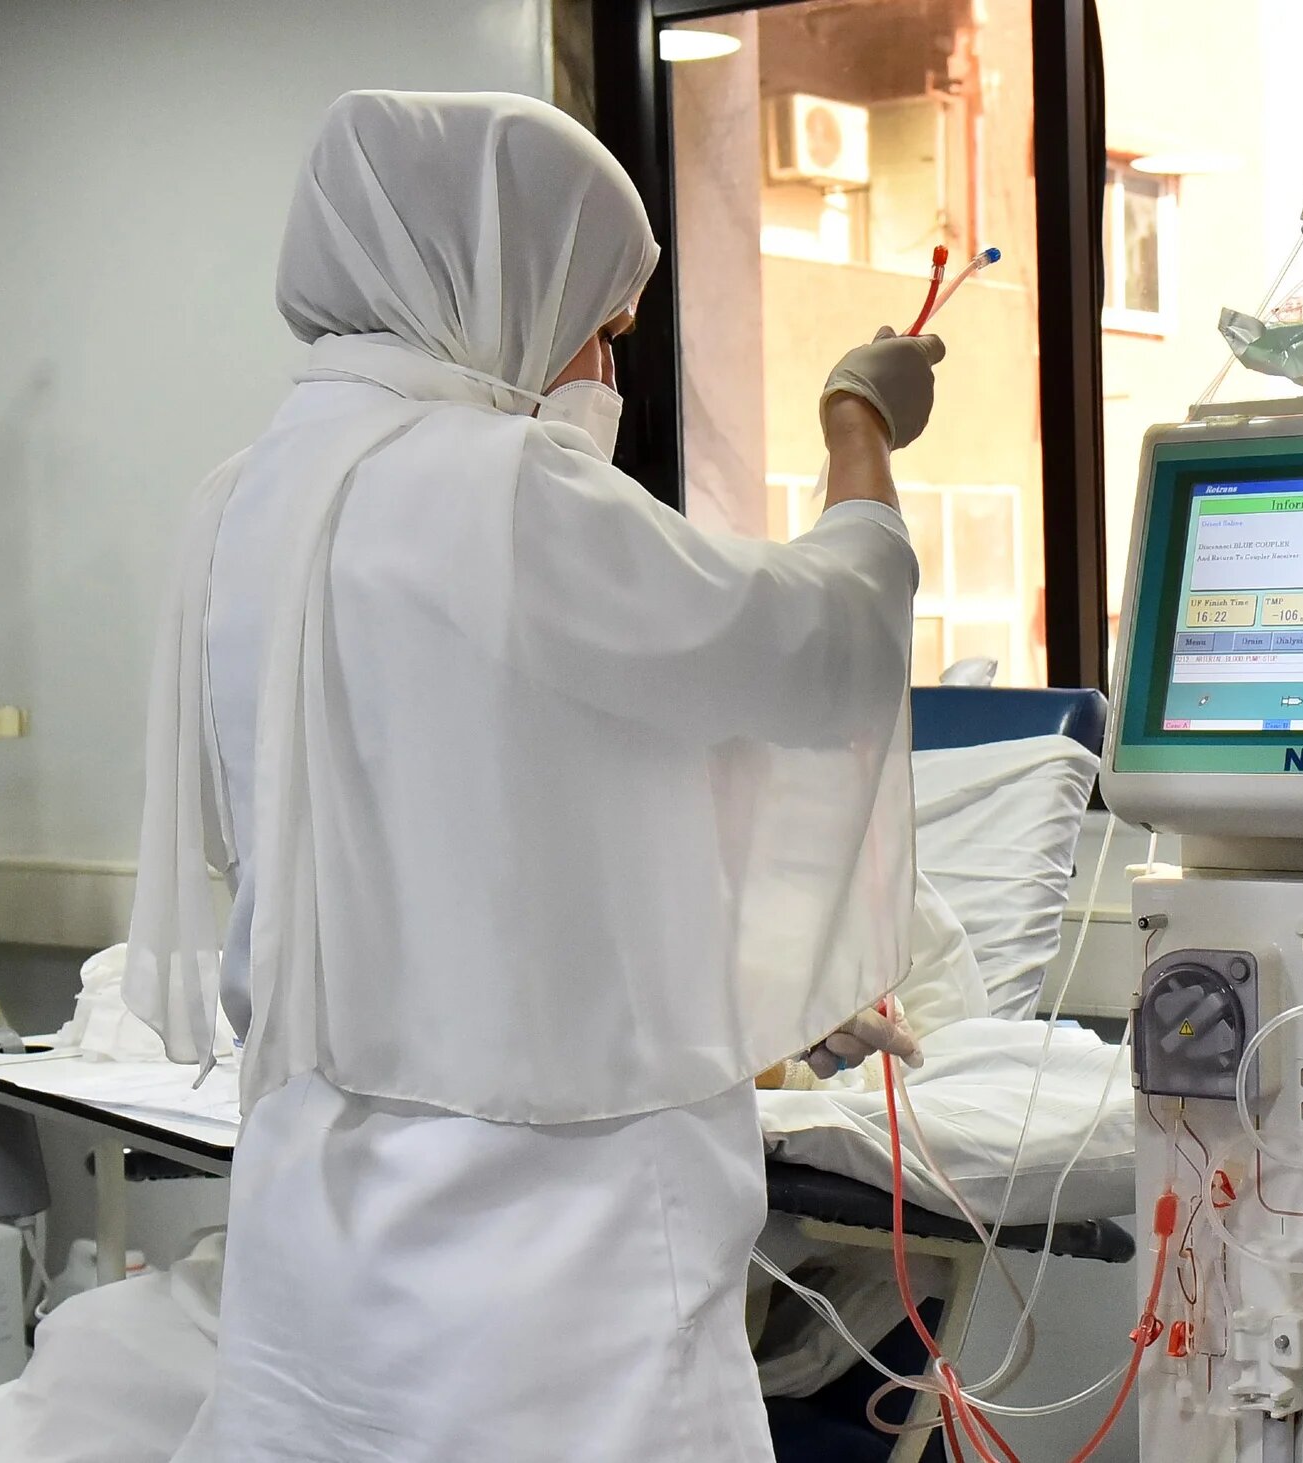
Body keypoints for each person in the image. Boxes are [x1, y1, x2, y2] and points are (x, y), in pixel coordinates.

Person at [122, 90, 946, 1461]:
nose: (605, 379)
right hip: (551, 1247)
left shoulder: (247, 498)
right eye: (606, 327)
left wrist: (759, 984)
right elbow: (816, 646)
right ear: (487, 279)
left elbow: (497, 808)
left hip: (322, 1212)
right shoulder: (496, 489)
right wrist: (857, 427)